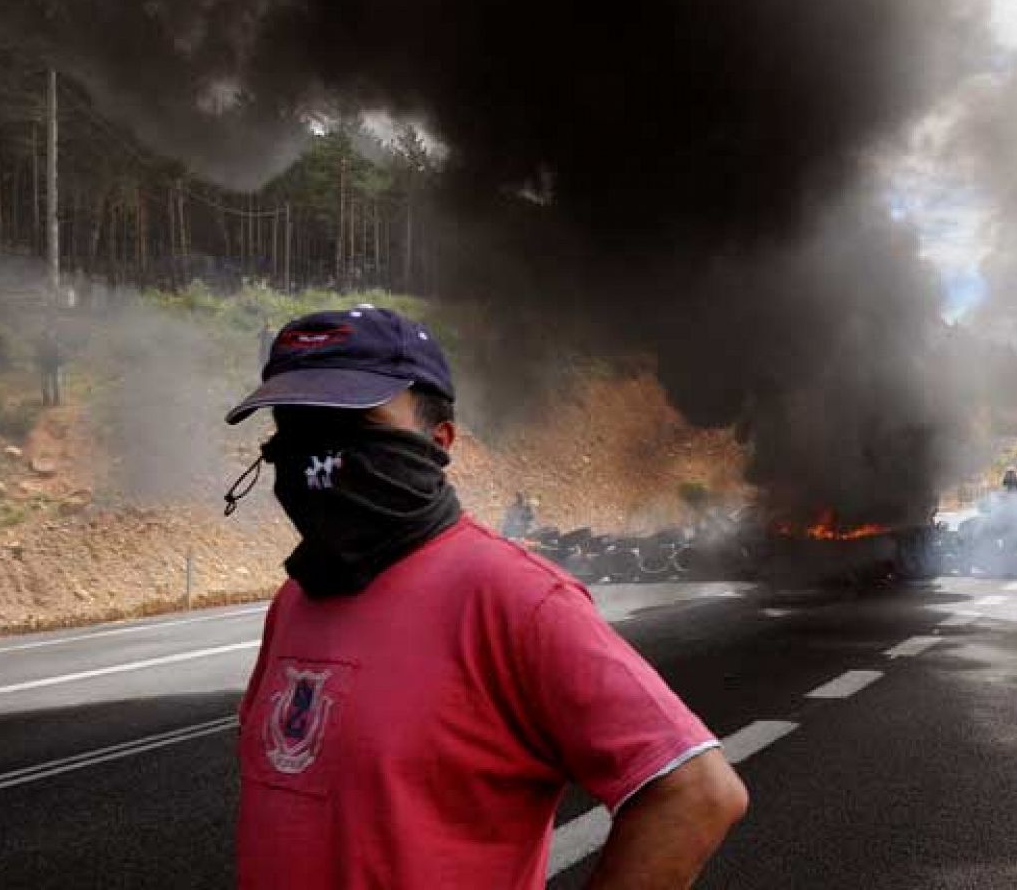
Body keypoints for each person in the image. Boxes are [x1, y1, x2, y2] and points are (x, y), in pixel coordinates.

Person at [222, 306, 746, 889]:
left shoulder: (518, 598)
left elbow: (696, 794)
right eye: (297, 424)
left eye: (352, 418)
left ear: (439, 439)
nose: (315, 450)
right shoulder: (297, 597)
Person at [36, 324, 64, 407]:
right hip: (48, 365)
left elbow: (60, 356)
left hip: (52, 365)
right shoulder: (51, 344)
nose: (50, 335)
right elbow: (39, 355)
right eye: (49, 334)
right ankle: (48, 400)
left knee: (53, 383)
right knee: (48, 383)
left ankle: (54, 400)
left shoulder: (55, 344)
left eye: (51, 333)